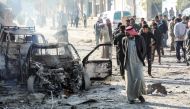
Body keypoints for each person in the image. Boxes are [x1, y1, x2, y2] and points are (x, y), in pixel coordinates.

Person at [122, 26, 146, 104]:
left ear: (132, 33)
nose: (127, 36)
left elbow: (144, 49)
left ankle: (138, 94)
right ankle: (130, 98)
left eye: (128, 34)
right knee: (129, 81)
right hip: (129, 63)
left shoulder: (140, 38)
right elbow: (124, 50)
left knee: (139, 78)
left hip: (138, 62)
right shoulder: (124, 39)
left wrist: (141, 58)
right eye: (126, 34)